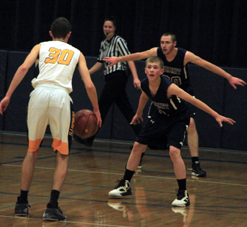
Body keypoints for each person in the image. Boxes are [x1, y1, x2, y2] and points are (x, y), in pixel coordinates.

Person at [0, 17, 101, 221]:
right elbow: (89, 85)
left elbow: (22, 69)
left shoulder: (40, 46)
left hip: (38, 94)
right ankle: (52, 206)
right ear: (69, 35)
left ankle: (21, 203)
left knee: (32, 149)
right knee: (62, 154)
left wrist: (8, 94)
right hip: (61, 98)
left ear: (50, 33)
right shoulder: (77, 52)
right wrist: (96, 109)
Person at [104, 32, 246, 176]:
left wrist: (228, 76)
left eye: (167, 43)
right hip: (162, 92)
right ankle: (139, 156)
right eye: (162, 42)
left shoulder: (185, 56)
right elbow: (139, 55)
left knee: (190, 124)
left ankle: (195, 164)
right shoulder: (157, 53)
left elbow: (206, 64)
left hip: (181, 93)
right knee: (151, 123)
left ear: (174, 44)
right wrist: (119, 59)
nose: (163, 46)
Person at [108, 56, 235, 207]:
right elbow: (144, 95)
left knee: (174, 151)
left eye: (155, 68)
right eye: (150, 67)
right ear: (145, 70)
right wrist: (138, 113)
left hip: (177, 118)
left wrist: (216, 115)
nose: (152, 70)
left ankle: (183, 194)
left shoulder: (170, 87)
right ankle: (125, 184)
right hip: (159, 115)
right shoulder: (144, 84)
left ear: (161, 71)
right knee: (137, 146)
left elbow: (193, 101)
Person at [73, 16, 142, 147]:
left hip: (118, 76)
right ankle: (143, 135)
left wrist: (136, 77)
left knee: (102, 106)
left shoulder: (119, 41)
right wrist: (86, 73)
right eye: (105, 27)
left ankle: (89, 138)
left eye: (110, 27)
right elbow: (100, 63)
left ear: (114, 29)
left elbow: (129, 58)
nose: (107, 29)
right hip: (109, 77)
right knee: (126, 109)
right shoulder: (104, 43)